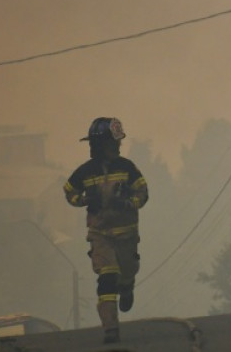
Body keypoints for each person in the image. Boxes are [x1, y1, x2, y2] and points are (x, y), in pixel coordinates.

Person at [64, 117, 148, 345]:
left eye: (117, 142)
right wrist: (83, 200)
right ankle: (111, 328)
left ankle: (127, 286)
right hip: (100, 235)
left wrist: (128, 202)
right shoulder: (85, 171)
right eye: (113, 143)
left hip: (126, 235)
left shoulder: (127, 168)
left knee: (128, 270)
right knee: (107, 278)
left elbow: (143, 193)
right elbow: (69, 191)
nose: (117, 146)